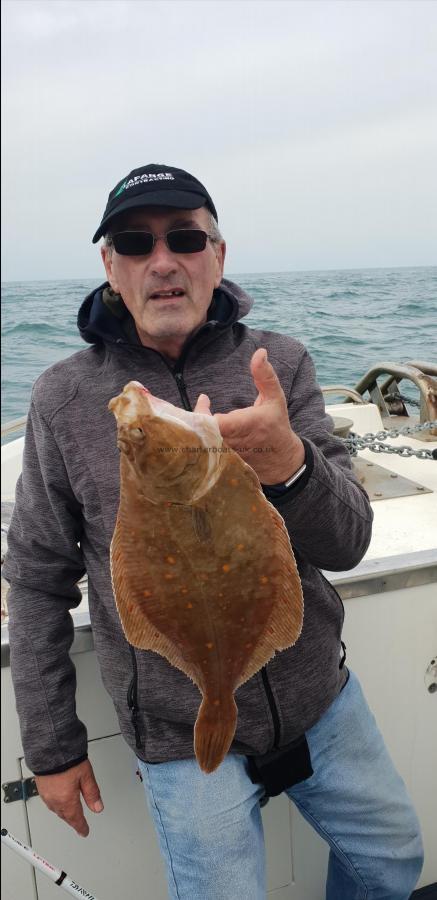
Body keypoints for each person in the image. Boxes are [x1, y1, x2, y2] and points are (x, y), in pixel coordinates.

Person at [4, 164, 423, 900]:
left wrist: (289, 464)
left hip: (318, 698)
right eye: (135, 242)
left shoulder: (278, 364)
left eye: (186, 237)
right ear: (110, 266)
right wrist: (52, 747)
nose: (162, 260)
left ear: (217, 256)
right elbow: (37, 576)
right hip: (176, 726)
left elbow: (348, 544)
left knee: (391, 859)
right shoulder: (64, 396)